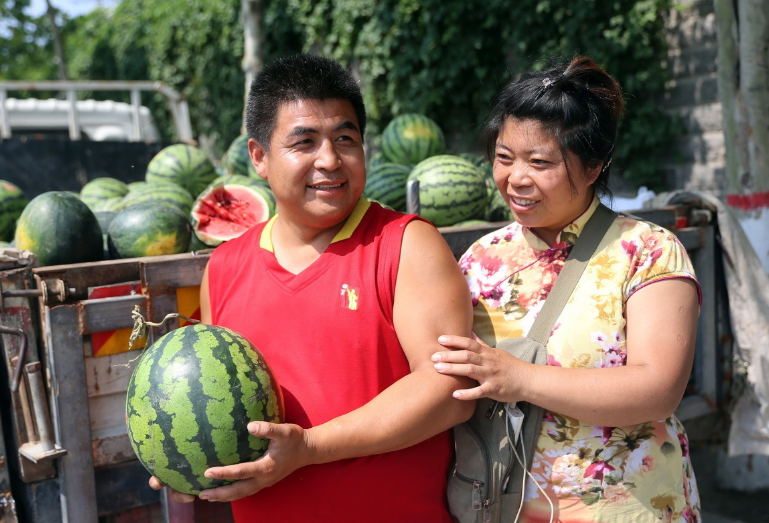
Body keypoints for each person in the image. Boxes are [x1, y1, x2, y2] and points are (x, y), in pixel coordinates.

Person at [150, 54, 475, 522]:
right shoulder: (223, 266)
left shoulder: (406, 243)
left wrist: (309, 447)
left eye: (345, 139)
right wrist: (187, 461)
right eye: (304, 142)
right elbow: (209, 409)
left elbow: (449, 387)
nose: (329, 160)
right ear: (259, 157)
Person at [431, 56, 702, 522]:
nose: (516, 178)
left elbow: (659, 389)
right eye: (504, 157)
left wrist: (519, 378)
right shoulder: (479, 258)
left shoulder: (649, 250)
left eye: (541, 162)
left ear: (594, 165)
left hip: (626, 507)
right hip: (507, 506)